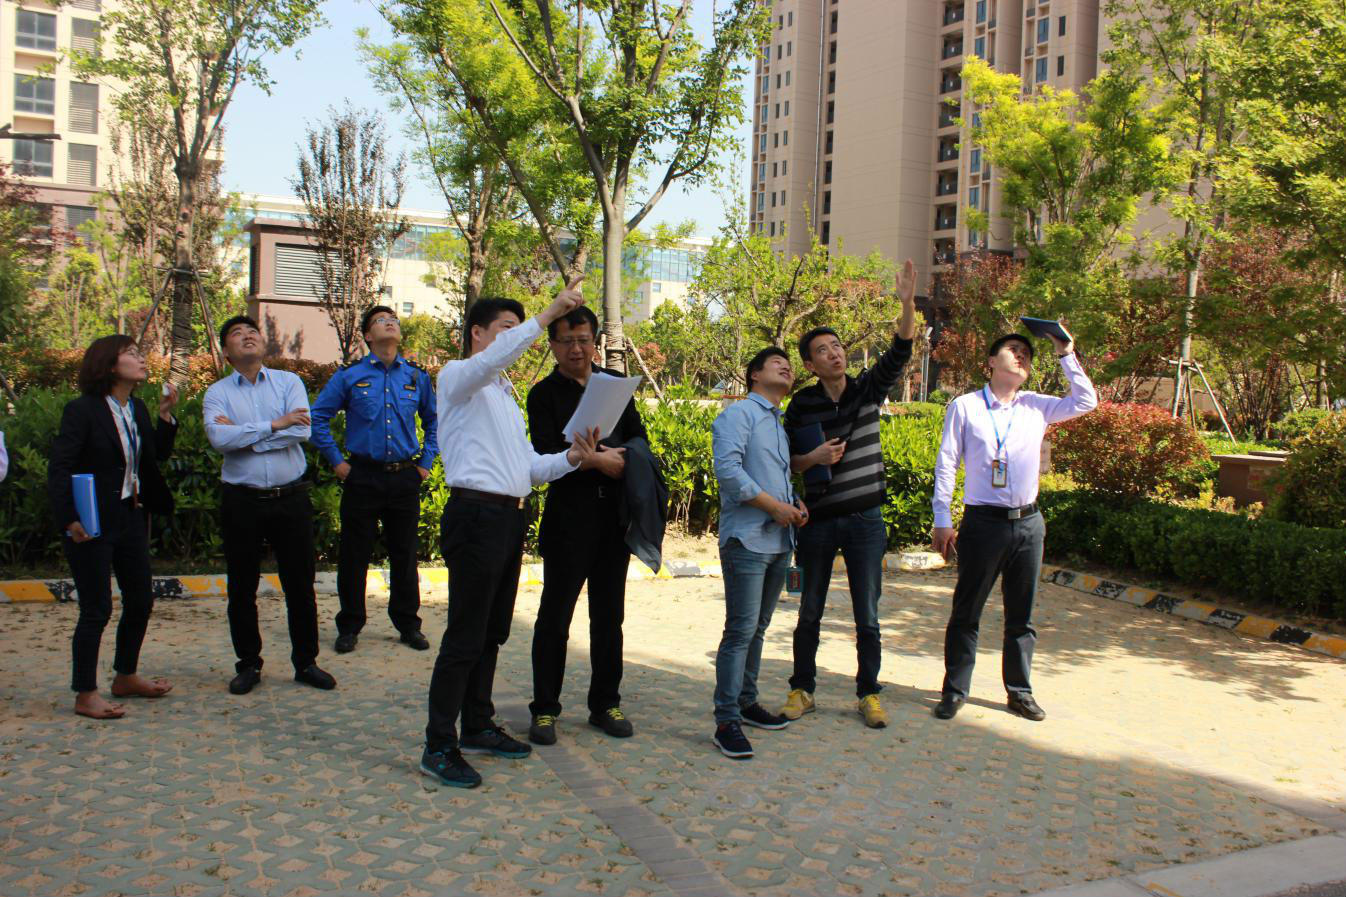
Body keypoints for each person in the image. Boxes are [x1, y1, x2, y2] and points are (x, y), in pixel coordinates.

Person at [421, 283, 599, 790]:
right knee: (464, 636)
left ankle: (477, 724)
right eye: (505, 328)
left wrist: (572, 457)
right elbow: (496, 358)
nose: (515, 338)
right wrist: (546, 315)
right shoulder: (458, 377)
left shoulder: (502, 396)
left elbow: (529, 468)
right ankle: (438, 744)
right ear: (477, 334)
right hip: (475, 516)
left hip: (508, 518)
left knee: (492, 632)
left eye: (518, 329)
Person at [779, 259, 919, 730]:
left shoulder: (866, 389)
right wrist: (812, 458)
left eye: (837, 346)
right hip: (818, 521)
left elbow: (901, 348)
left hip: (865, 521)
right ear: (810, 364)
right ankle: (802, 689)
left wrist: (906, 304)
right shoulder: (801, 404)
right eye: (823, 350)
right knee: (810, 611)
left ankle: (868, 693)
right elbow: (786, 462)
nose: (834, 354)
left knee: (867, 615)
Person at [930, 329, 1097, 722]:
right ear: (991, 362)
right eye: (1013, 350)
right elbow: (947, 462)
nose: (1021, 356)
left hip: (1028, 524)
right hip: (982, 523)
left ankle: (1019, 692)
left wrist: (1066, 354)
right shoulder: (966, 406)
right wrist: (942, 518)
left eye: (1027, 353)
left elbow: (1086, 401)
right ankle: (955, 690)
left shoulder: (1037, 406)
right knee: (967, 611)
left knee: (1021, 616)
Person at [524, 305, 647, 746]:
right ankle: (544, 709)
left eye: (583, 340)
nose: (576, 349)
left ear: (595, 341)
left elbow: (639, 438)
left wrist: (617, 457)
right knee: (555, 617)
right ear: (553, 345)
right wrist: (594, 460)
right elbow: (543, 452)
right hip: (569, 519)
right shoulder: (542, 395)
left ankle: (605, 704)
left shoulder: (615, 385)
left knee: (609, 617)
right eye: (566, 341)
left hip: (613, 519)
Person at [47, 335, 179, 719]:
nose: (142, 359)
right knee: (97, 608)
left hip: (130, 515)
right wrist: (69, 518)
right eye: (132, 354)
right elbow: (60, 467)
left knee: (140, 599)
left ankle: (125, 676)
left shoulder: (135, 407)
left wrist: (165, 416)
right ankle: (85, 693)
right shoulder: (82, 411)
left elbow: (154, 457)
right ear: (109, 366)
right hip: (91, 520)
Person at [203, 315, 335, 696]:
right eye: (237, 334)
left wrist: (246, 435)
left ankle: (306, 662)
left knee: (300, 585)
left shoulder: (288, 382)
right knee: (242, 587)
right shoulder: (217, 393)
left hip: (290, 498)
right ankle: (248, 664)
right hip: (241, 501)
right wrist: (275, 425)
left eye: (252, 331)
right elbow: (219, 439)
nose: (247, 336)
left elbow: (302, 430)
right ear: (226, 351)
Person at [310, 305, 438, 655]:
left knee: (404, 554)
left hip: (404, 477)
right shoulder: (350, 376)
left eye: (393, 319)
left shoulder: (416, 376)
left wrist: (425, 463)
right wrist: (337, 462)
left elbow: (433, 421)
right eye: (381, 320)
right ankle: (350, 626)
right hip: (362, 476)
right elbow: (318, 417)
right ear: (368, 335)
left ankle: (408, 625)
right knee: (354, 555)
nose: (390, 323)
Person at [710, 347, 807, 760]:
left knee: (759, 628)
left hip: (778, 542)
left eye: (789, 364)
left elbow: (775, 478)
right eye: (776, 363)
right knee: (740, 630)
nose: (786, 366)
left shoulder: (777, 424)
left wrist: (794, 503)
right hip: (747, 541)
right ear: (754, 375)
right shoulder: (739, 415)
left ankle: (746, 702)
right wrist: (773, 507)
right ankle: (726, 720)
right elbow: (729, 473)